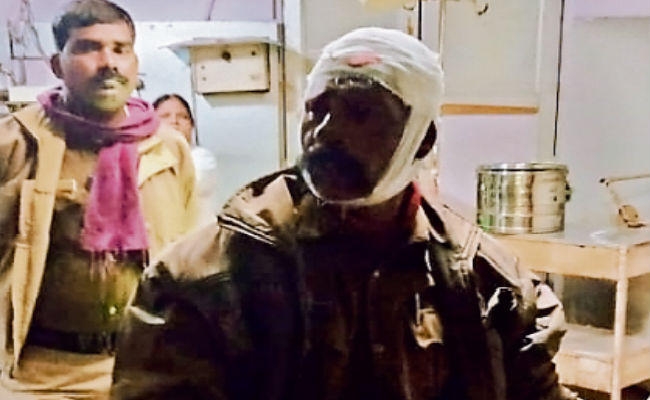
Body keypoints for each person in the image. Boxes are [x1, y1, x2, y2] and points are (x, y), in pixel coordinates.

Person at [111, 27, 579, 400]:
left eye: (359, 112)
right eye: (317, 110)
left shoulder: (487, 282)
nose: (325, 131)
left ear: (422, 140)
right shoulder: (204, 280)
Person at [0, 0, 198, 398]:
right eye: (88, 48)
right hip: (38, 376)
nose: (108, 62)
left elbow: (192, 260)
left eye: (120, 49)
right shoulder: (14, 142)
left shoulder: (168, 148)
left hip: (145, 369)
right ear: (57, 65)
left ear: (135, 62)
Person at [153, 94, 219, 221]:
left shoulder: (202, 158)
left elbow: (181, 189)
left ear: (192, 125)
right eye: (165, 116)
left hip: (197, 232)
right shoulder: (143, 158)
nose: (174, 121)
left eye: (182, 117)